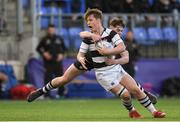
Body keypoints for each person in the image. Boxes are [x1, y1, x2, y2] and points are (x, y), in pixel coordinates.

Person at [27, 9, 165, 118]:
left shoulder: (113, 36)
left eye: (90, 20)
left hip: (109, 65)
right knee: (64, 79)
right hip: (89, 61)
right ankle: (41, 91)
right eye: (87, 20)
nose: (88, 22)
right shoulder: (89, 36)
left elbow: (125, 55)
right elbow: (82, 39)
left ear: (99, 21)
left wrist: (109, 54)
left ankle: (147, 103)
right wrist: (81, 56)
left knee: (132, 89)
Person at [36, 24, 67, 98]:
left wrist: (62, 55)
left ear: (54, 30)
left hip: (58, 62)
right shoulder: (44, 39)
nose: (51, 31)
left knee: (61, 78)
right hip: (48, 62)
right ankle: (47, 95)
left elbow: (65, 49)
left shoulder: (59, 39)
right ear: (48, 30)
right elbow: (38, 48)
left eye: (52, 30)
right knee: (48, 78)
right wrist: (44, 53)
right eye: (50, 30)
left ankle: (61, 94)